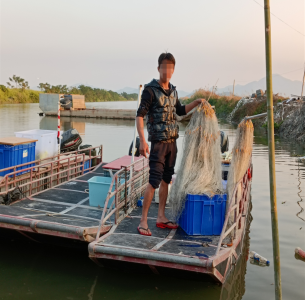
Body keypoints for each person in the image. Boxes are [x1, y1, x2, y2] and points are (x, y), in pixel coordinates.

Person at [136, 52, 205, 236]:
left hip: (172, 143)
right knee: (154, 180)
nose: (167, 70)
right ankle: (143, 221)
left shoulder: (173, 90)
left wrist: (197, 102)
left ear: (173, 70)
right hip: (158, 143)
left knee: (167, 179)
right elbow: (139, 116)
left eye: (170, 67)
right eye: (164, 66)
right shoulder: (150, 90)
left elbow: (180, 111)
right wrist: (143, 140)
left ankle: (161, 217)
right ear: (158, 68)